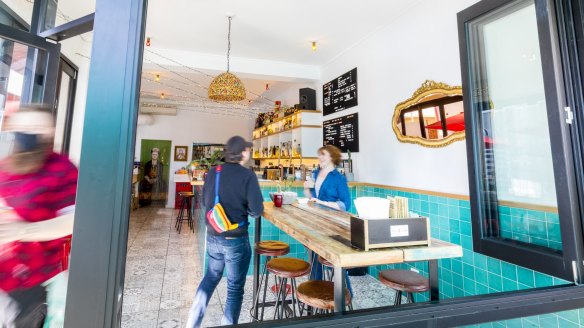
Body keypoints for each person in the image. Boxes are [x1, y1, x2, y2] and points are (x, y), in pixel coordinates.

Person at [0, 105, 78, 328]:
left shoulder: (62, 168)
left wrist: (22, 231)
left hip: (39, 280)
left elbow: (73, 220)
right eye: (24, 127)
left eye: (38, 127)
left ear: (50, 132)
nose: (30, 133)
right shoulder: (4, 166)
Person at [186, 136, 264, 328]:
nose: (249, 152)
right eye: (247, 149)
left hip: (214, 236)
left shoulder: (214, 172)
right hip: (236, 240)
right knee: (235, 288)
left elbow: (206, 203)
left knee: (211, 278)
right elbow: (257, 210)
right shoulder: (248, 176)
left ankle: (192, 323)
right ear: (243, 152)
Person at [303, 145, 353, 294]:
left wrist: (324, 203)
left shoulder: (338, 178)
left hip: (333, 222)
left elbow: (346, 204)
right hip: (317, 219)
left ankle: (347, 293)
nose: (320, 158)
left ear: (332, 157)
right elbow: (312, 197)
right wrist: (306, 188)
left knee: (336, 259)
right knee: (315, 254)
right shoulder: (316, 173)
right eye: (319, 155)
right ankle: (314, 289)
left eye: (323, 155)